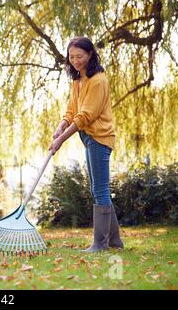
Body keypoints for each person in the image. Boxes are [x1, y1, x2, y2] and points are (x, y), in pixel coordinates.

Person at [49, 37, 124, 252]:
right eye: (71, 57)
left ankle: (100, 244)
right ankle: (115, 241)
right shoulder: (78, 79)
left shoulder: (98, 80)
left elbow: (85, 117)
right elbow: (72, 110)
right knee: (97, 189)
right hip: (89, 138)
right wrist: (60, 127)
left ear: (90, 54)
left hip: (100, 137)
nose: (75, 61)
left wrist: (61, 140)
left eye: (80, 56)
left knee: (100, 189)